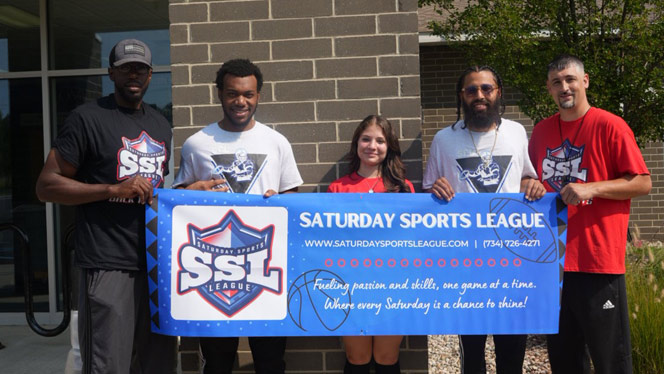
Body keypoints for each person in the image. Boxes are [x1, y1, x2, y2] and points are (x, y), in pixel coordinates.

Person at [35, 39, 175, 374]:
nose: (133, 74)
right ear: (111, 72)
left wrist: (189, 193)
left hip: (156, 264)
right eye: (125, 67)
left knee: (158, 364)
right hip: (107, 262)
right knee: (109, 364)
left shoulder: (160, 125)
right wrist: (112, 188)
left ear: (151, 74)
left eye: (140, 67)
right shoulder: (88, 119)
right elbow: (46, 186)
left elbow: (155, 193)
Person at [173, 58, 302, 374]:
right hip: (212, 269)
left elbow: (292, 197)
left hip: (265, 265)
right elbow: (177, 206)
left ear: (259, 95)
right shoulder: (196, 144)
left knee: (271, 362)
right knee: (217, 362)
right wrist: (195, 190)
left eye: (248, 94)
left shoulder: (276, 142)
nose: (241, 101)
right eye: (232, 93)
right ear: (219, 94)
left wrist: (280, 202)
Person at [529, 54, 651, 374]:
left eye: (570, 79)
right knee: (565, 360)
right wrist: (529, 183)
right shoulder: (540, 132)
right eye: (556, 82)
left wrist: (591, 188)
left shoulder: (610, 125)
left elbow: (642, 182)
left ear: (584, 81)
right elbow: (529, 179)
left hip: (598, 262)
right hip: (553, 264)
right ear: (549, 89)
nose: (564, 87)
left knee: (611, 360)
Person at [422, 66, 546, 374]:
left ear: (498, 92)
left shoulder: (516, 132)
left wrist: (533, 183)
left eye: (486, 88)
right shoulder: (443, 139)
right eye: (471, 90)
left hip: (512, 258)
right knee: (472, 350)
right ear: (461, 96)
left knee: (512, 346)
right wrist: (435, 188)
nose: (479, 95)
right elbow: (428, 188)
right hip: (466, 261)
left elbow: (527, 178)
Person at [328, 115, 414, 374]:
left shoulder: (403, 188)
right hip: (351, 286)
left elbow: (410, 242)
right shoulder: (338, 188)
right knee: (358, 358)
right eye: (366, 139)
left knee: (386, 358)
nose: (372, 146)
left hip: (392, 285)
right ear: (357, 144)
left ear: (389, 147)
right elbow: (330, 240)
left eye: (380, 140)